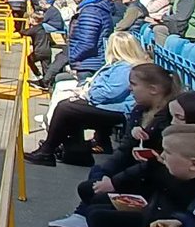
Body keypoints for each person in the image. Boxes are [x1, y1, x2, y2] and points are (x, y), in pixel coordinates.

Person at [49, 63, 179, 227]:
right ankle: (82, 216)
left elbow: (153, 165)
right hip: (137, 170)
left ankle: (87, 219)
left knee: (91, 192)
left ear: (153, 89)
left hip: (150, 179)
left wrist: (115, 182)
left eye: (133, 84)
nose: (129, 88)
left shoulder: (167, 118)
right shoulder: (139, 110)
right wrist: (107, 173)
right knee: (98, 172)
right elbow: (125, 149)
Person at [26, 33, 147, 167]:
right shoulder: (121, 65)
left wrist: (89, 93)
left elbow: (109, 92)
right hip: (109, 105)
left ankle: (48, 151)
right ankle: (74, 151)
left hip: (117, 110)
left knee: (66, 108)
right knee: (69, 106)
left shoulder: (125, 68)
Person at [67, 0, 116, 81]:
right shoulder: (98, 7)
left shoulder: (90, 12)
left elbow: (87, 42)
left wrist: (73, 58)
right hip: (95, 60)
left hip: (89, 63)